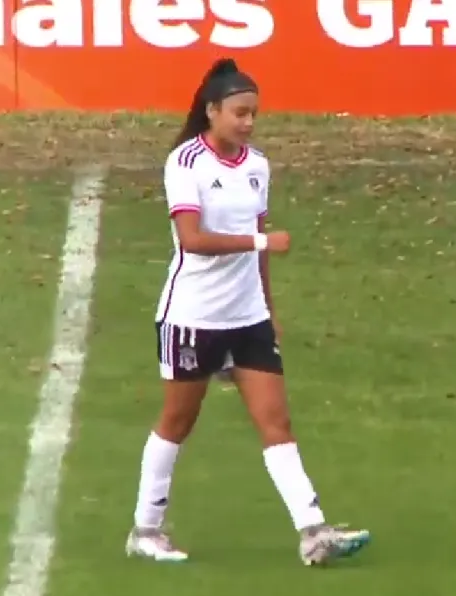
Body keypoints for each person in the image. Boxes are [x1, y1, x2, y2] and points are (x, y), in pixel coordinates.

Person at [126, 58, 370, 566]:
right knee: (177, 419)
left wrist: (269, 306)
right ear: (212, 111)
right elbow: (192, 241)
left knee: (275, 421)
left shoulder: (257, 165)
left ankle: (313, 531)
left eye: (254, 114)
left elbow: (257, 251)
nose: (248, 123)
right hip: (193, 317)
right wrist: (261, 239)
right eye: (239, 113)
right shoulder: (186, 163)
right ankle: (145, 529)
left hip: (248, 318)